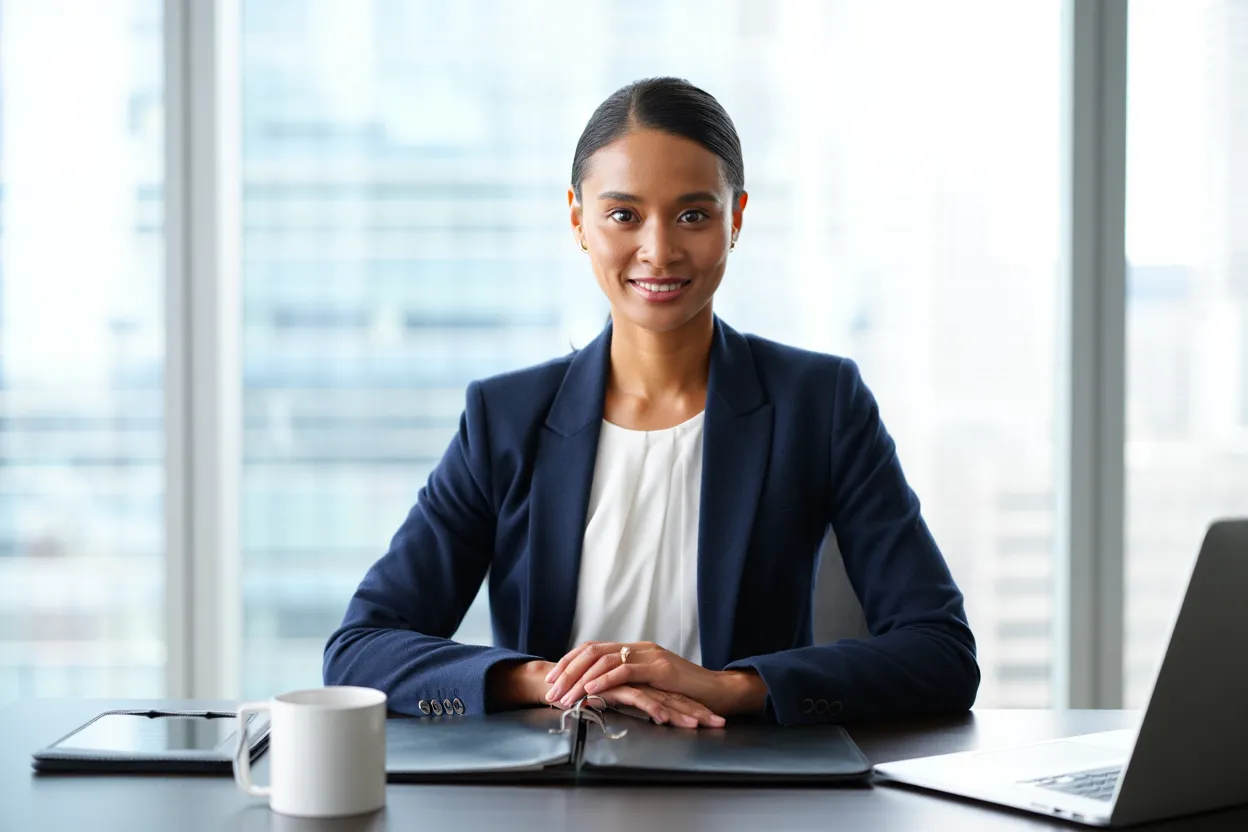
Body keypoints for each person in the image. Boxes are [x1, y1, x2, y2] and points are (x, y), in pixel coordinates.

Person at [323, 77, 979, 727]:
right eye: (623, 215)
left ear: (736, 218)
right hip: (552, 774)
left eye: (693, 215)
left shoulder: (820, 404)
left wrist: (728, 688)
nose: (659, 251)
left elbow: (941, 652)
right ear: (579, 220)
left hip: (744, 771)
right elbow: (360, 650)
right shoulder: (506, 418)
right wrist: (548, 681)